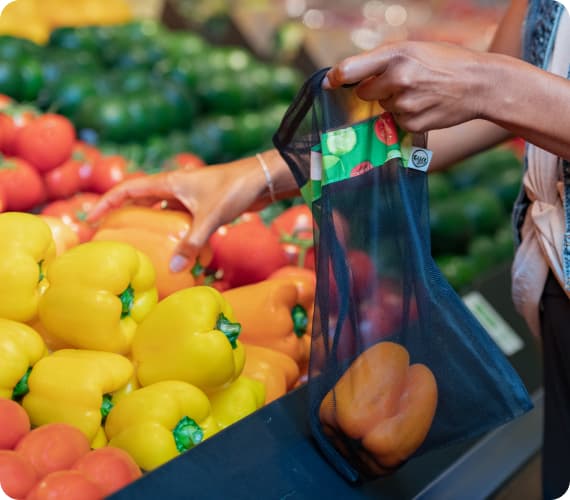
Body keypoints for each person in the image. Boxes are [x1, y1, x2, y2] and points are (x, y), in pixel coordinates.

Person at [89, 1, 570, 497]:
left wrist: (490, 82)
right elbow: (489, 113)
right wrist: (262, 176)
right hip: (549, 294)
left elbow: (504, 93)